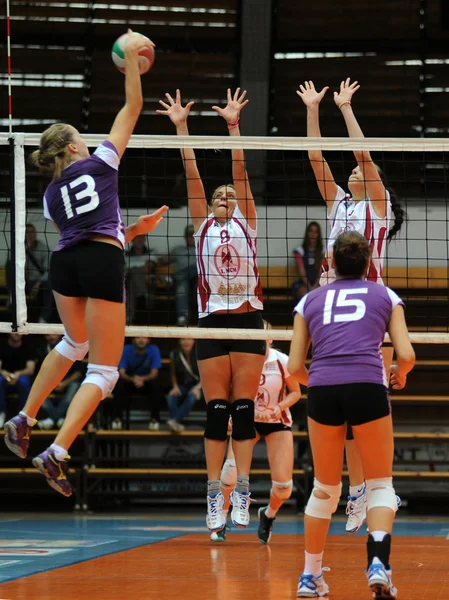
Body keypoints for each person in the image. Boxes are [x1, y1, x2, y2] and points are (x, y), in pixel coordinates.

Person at [3, 30, 168, 497]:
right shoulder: (101, 163)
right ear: (74, 147)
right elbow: (131, 110)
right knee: (105, 371)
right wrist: (134, 63)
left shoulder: (52, 193)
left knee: (75, 342)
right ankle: (55, 452)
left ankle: (23, 417)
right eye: (83, 138)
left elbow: (88, 230)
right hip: (98, 262)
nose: (90, 141)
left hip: (65, 264)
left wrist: (134, 231)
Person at [297, 78, 405, 534]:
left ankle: (369, 486)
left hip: (371, 314)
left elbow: (363, 155)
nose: (357, 171)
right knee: (340, 408)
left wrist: (345, 109)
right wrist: (313, 109)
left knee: (371, 405)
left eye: (364, 171)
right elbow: (314, 157)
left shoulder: (376, 209)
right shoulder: (340, 202)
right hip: (331, 313)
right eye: (358, 172)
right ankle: (356, 488)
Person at [158, 88, 265, 531]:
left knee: (244, 410)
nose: (223, 197)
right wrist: (182, 126)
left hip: (247, 320)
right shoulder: (203, 223)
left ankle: (240, 490)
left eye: (229, 195)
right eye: (218, 195)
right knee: (216, 411)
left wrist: (233, 125)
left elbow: (239, 173)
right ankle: (212, 494)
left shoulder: (248, 221)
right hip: (210, 322)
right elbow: (192, 173)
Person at [288, 231, 415, 598]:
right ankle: (379, 563)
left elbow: (295, 366)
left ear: (330, 263)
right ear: (367, 263)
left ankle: (310, 577)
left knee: (325, 488)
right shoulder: (385, 295)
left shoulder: (309, 301)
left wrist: (322, 383)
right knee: (379, 484)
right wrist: (400, 374)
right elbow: (404, 355)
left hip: (323, 388)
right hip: (367, 385)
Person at [211, 322, 301, 544]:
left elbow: (296, 392)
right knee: (229, 473)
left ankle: (268, 514)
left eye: (264, 333)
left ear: (270, 338)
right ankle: (220, 519)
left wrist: (278, 408)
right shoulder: (239, 361)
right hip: (246, 418)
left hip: (275, 421)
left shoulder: (282, 360)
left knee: (283, 487)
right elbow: (228, 392)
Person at [35, 335, 85, 430]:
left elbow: (78, 373)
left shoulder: (71, 348)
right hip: (49, 383)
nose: (51, 336)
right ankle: (59, 419)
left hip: (67, 382)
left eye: (53, 333)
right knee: (35, 389)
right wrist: (52, 383)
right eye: (48, 334)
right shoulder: (41, 351)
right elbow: (39, 373)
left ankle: (51, 419)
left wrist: (63, 383)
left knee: (75, 386)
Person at [116, 336, 165, 430]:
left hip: (146, 381)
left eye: (144, 337)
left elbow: (154, 373)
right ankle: (117, 419)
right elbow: (121, 373)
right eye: (138, 337)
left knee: (156, 388)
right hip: (130, 381)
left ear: (149, 340)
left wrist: (142, 379)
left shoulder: (154, 349)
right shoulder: (126, 349)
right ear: (133, 339)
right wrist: (133, 379)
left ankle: (154, 419)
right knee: (119, 387)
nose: (141, 340)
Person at [0, 333, 37, 429]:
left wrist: (18, 374)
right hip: (4, 377)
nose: (17, 333)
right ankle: (1, 412)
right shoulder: (2, 344)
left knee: (24, 381)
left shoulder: (28, 346)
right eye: (14, 330)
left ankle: (23, 416)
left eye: (19, 331)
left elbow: (30, 369)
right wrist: (5, 373)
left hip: (21, 377)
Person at [167, 338, 202, 432]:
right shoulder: (175, 354)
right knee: (171, 397)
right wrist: (175, 386)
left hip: (199, 385)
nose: (186, 342)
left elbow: (207, 373)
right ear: (179, 341)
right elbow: (172, 373)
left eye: (189, 339)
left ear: (194, 340)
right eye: (183, 339)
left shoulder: (200, 352)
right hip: (183, 385)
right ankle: (176, 424)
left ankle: (174, 421)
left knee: (191, 398)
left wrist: (198, 388)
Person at [125, 234, 158, 324]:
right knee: (131, 281)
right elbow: (123, 270)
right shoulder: (125, 254)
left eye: (142, 237)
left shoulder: (151, 252)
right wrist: (138, 270)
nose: (140, 240)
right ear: (132, 240)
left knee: (132, 277)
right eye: (137, 237)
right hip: (132, 283)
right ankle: (144, 296)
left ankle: (129, 317)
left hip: (148, 283)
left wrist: (132, 269)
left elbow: (148, 268)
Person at [292, 221, 323, 302]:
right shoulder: (300, 251)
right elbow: (302, 273)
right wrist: (310, 287)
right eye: (311, 231)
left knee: (321, 294)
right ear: (307, 233)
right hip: (304, 283)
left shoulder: (323, 252)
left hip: (319, 283)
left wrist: (315, 287)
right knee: (303, 293)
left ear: (318, 235)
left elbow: (321, 271)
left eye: (316, 232)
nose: (313, 234)